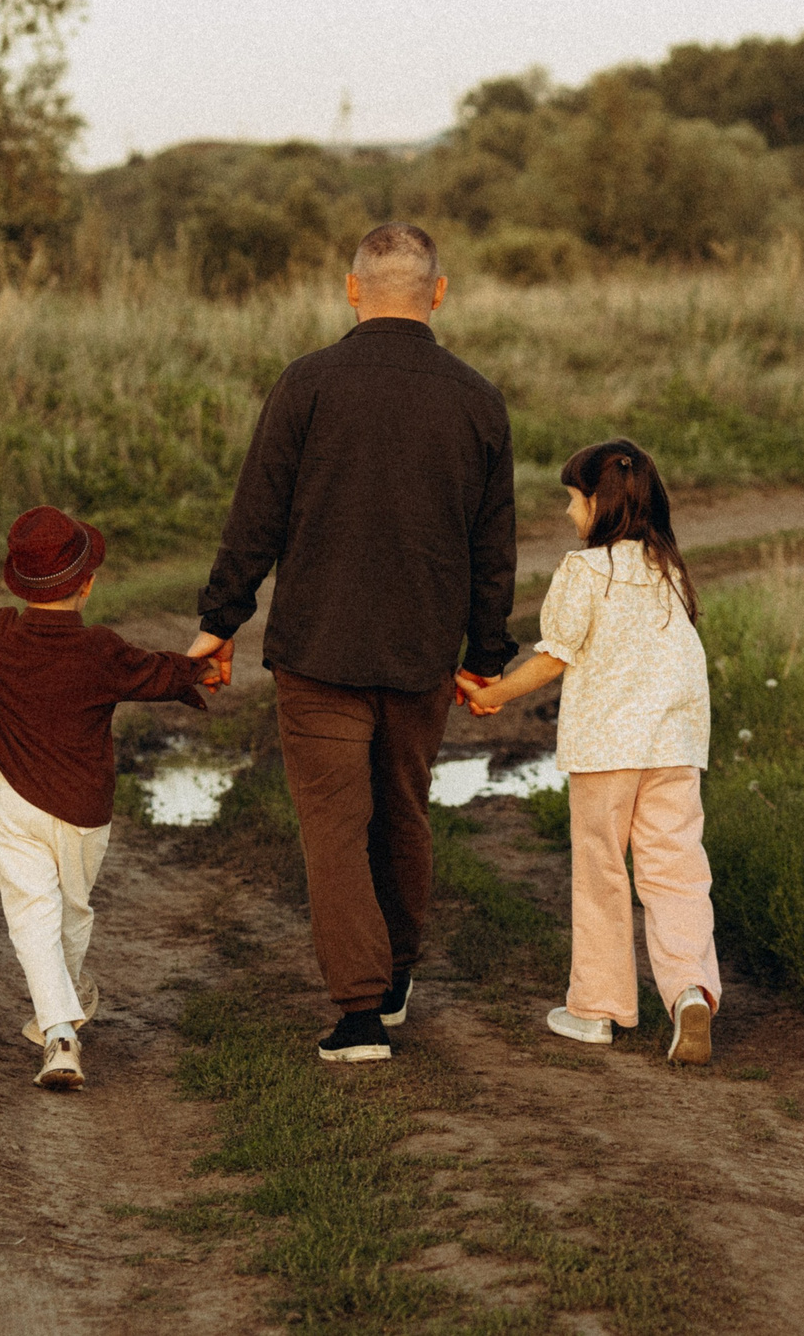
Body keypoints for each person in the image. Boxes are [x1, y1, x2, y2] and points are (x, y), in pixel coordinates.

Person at [189, 222, 517, 1063]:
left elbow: (255, 515)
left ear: (351, 288)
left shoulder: (307, 384)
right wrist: (485, 654)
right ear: (438, 292)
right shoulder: (478, 398)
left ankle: (361, 1011)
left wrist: (219, 622)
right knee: (403, 810)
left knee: (335, 826)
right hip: (420, 653)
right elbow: (494, 546)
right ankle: (396, 972)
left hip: (319, 649)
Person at [0, 502, 223, 1090]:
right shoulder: (101, 650)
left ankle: (59, 1022)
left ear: (17, 582)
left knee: (35, 918)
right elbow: (163, 671)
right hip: (85, 813)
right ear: (88, 584)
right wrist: (207, 666)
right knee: (70, 912)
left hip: (16, 801)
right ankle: (61, 1027)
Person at [463, 438, 719, 1064]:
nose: (570, 514)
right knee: (675, 869)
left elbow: (554, 655)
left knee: (602, 871)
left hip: (607, 748)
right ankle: (689, 990)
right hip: (677, 746)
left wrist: (495, 693)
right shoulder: (670, 570)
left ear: (601, 505)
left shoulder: (584, 571)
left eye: (574, 501)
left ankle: (598, 1008)